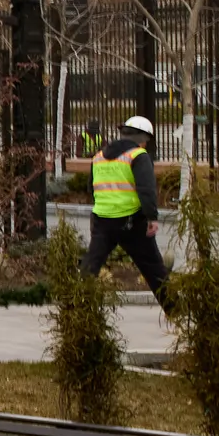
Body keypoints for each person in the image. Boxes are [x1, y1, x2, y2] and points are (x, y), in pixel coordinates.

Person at [83, 114, 174, 310]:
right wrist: (152, 217)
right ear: (143, 138)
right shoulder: (138, 156)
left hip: (102, 220)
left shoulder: (98, 156)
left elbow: (91, 188)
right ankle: (175, 311)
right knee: (153, 268)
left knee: (91, 265)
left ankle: (76, 308)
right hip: (132, 222)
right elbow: (146, 189)